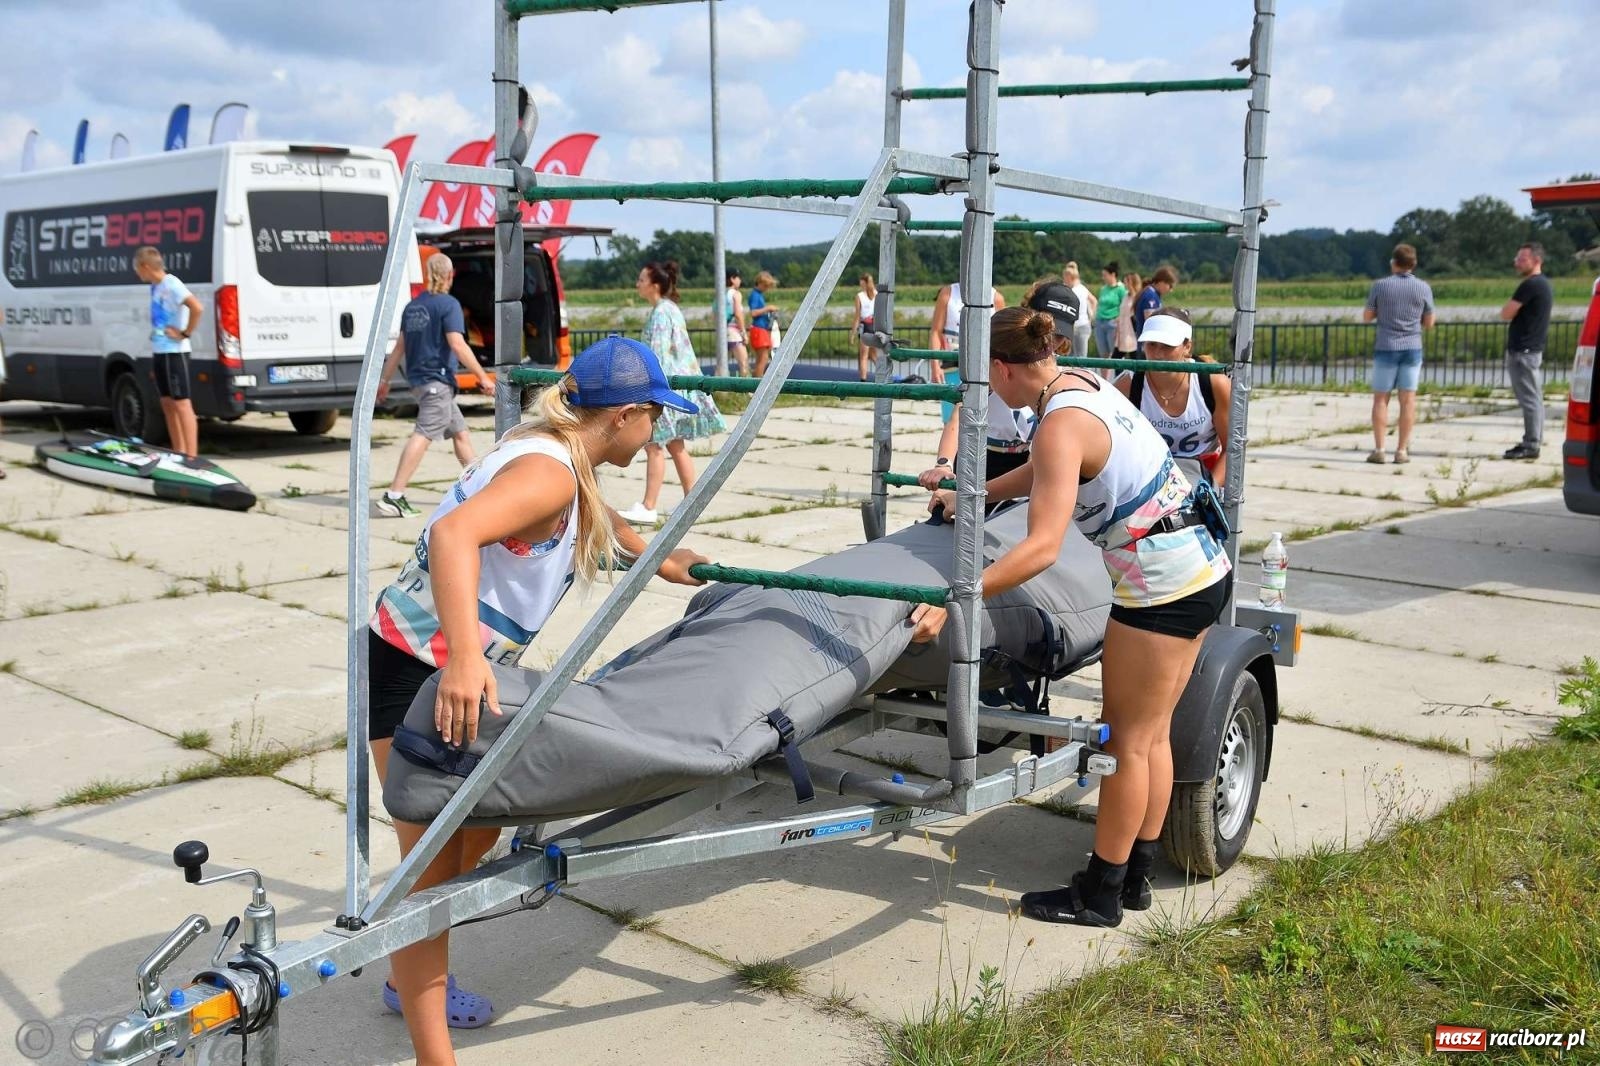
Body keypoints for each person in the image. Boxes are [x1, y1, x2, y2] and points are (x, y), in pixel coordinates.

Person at [368, 335, 709, 1066]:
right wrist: (462, 655)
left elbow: (600, 520)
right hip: (418, 669)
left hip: (454, 669)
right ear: (622, 416)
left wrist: (662, 560)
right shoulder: (547, 471)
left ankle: (412, 967)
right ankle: (432, 1043)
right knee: (428, 879)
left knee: (473, 839)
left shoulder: (560, 451)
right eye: (655, 415)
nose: (660, 429)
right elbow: (454, 532)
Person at [913, 306, 1230, 928]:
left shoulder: (1058, 423)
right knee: (1152, 734)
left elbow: (1041, 548)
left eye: (981, 378)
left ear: (1003, 369)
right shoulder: (1082, 388)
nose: (981, 391)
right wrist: (975, 493)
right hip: (1199, 567)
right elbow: (1046, 472)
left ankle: (1101, 894)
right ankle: (1133, 877)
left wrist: (960, 597)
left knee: (1124, 742)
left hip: (1160, 586)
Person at [918, 280, 1078, 508]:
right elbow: (958, 418)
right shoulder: (1001, 360)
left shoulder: (1063, 375)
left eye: (1058, 337)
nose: (1049, 344)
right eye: (1045, 333)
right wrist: (943, 466)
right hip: (984, 457)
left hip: (1027, 461)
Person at [375, 254, 496, 518]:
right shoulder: (449, 305)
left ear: (429, 274)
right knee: (423, 433)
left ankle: (478, 489)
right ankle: (394, 495)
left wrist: (383, 381)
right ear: (450, 275)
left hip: (420, 381)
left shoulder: (414, 306)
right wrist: (483, 376)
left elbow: (399, 348)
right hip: (437, 382)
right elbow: (457, 344)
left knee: (460, 433)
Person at [619, 261, 727, 525]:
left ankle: (648, 506)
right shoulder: (670, 309)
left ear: (654, 285)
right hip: (678, 386)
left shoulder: (660, 313)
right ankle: (692, 501)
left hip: (662, 388)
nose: (638, 284)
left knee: (653, 445)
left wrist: (642, 388)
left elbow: (655, 355)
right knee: (675, 446)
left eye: (642, 280)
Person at [1116, 308, 1232, 488]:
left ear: (1187, 347)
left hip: (1204, 475)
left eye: (1167, 346)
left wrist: (1208, 494)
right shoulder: (1127, 385)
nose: (1158, 353)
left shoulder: (1215, 383)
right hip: (1148, 479)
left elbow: (1232, 449)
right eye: (1151, 344)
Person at [1362, 243, 1436, 464]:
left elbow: (1367, 316)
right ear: (1413, 264)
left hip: (1386, 346)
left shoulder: (1381, 286)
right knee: (1408, 400)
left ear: (1393, 262)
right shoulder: (1423, 288)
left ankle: (1379, 449)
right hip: (1412, 347)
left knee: (1381, 399)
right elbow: (1429, 322)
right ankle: (1402, 450)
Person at [132, 247, 205, 459]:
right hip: (160, 351)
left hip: (176, 352)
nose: (138, 274)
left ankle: (191, 457)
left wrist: (185, 333)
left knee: (182, 403)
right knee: (166, 402)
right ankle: (178, 452)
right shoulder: (155, 287)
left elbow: (196, 307)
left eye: (138, 269)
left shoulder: (172, 283)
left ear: (145, 267)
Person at [1500, 242, 1554, 460]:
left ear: (1536, 260)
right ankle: (1534, 439)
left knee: (1529, 399)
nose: (1517, 262)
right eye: (1517, 258)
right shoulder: (1543, 284)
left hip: (1523, 350)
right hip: (1531, 349)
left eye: (1522, 259)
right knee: (1535, 397)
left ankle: (1531, 443)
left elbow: (1506, 312)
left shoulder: (1530, 285)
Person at [928, 280, 1006, 385]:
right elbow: (936, 331)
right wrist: (935, 366)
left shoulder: (996, 298)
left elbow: (1001, 338)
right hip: (951, 365)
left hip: (984, 368)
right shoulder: (947, 293)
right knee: (952, 399)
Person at [1062, 261, 1097, 376]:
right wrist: (1091, 317)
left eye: (1065, 276)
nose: (1064, 279)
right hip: (1082, 324)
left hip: (1078, 326)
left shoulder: (1073, 291)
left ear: (1070, 277)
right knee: (1079, 356)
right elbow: (1094, 301)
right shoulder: (1082, 288)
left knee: (1078, 357)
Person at [1132, 266, 1178, 350]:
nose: (1170, 290)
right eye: (1170, 286)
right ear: (1161, 282)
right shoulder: (1151, 296)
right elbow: (1151, 322)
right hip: (1148, 346)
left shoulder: (1151, 293)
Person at [747, 271, 781, 377]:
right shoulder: (755, 295)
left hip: (761, 329)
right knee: (763, 358)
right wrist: (768, 308)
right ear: (759, 283)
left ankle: (754, 383)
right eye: (766, 286)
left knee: (761, 359)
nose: (767, 288)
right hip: (759, 329)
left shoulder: (758, 295)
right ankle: (758, 384)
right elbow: (753, 313)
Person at [720, 269, 749, 376]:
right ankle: (746, 391)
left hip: (722, 331)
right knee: (743, 362)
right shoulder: (735, 294)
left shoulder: (720, 294)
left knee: (721, 365)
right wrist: (744, 333)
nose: (740, 280)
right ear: (732, 278)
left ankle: (717, 391)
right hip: (734, 332)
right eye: (738, 277)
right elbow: (738, 314)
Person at [1093, 262, 1125, 359]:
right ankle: (1103, 375)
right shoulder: (1103, 289)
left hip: (1112, 323)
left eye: (1105, 275)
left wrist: (1119, 319)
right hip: (1099, 322)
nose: (1103, 278)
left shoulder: (1120, 289)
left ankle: (1119, 374)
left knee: (1116, 353)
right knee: (1103, 354)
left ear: (1113, 275)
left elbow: (1124, 306)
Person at [855, 273, 878, 381]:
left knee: (863, 356)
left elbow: (857, 316)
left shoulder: (860, 296)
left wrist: (852, 332)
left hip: (865, 326)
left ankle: (863, 380)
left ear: (863, 282)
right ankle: (885, 374)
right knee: (873, 355)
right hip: (875, 325)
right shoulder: (876, 294)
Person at [1113, 271, 1143, 357]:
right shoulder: (1126, 296)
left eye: (1126, 281)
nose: (1124, 283)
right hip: (1122, 330)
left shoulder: (1138, 297)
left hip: (1131, 331)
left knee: (1134, 356)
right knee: (1116, 358)